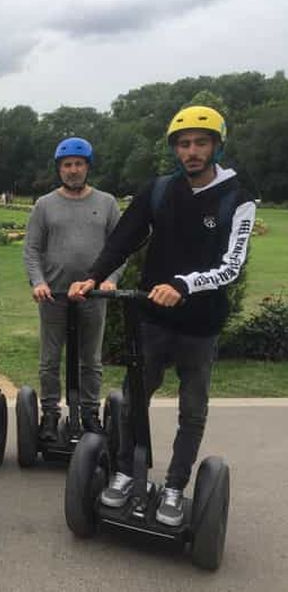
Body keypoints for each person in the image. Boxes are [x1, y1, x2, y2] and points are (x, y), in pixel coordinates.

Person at [69, 106, 256, 526]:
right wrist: (93, 276)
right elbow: (123, 238)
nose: (192, 152)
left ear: (216, 146)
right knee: (132, 400)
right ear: (175, 149)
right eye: (184, 144)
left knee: (192, 410)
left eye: (201, 143)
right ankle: (124, 473)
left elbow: (232, 265)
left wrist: (184, 285)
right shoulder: (159, 190)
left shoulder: (237, 199)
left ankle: (174, 486)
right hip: (152, 319)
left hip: (201, 325)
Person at [23, 137, 123, 440]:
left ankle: (90, 413)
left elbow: (119, 248)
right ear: (59, 169)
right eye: (67, 165)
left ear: (87, 167)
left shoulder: (106, 203)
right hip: (54, 295)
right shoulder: (44, 205)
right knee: (50, 360)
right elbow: (32, 249)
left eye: (79, 164)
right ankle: (50, 414)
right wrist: (38, 282)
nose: (73, 170)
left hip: (94, 295)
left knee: (90, 360)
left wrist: (111, 279)